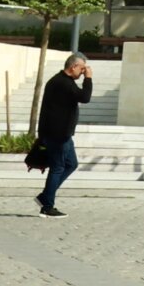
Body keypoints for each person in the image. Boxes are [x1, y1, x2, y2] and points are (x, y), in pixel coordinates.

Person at [35, 54, 92, 216]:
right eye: (81, 68)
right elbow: (85, 97)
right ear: (73, 67)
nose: (82, 72)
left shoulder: (60, 81)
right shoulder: (63, 83)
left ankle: (46, 196)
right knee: (58, 168)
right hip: (58, 135)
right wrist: (88, 79)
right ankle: (47, 206)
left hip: (62, 134)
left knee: (71, 164)